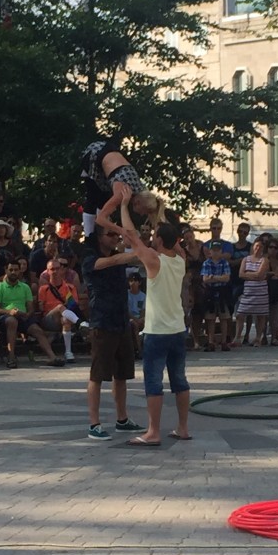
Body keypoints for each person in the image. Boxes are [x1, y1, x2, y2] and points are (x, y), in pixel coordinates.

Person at [119, 186, 189, 445]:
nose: (151, 237)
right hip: (178, 330)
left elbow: (131, 236)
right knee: (179, 379)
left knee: (153, 382)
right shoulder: (180, 260)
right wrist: (157, 214)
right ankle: (183, 428)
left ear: (159, 240)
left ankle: (153, 432)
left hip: (157, 331)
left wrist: (125, 205)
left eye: (155, 235)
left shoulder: (153, 260)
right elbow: (175, 239)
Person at [81, 225, 144, 440]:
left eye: (117, 234)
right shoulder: (91, 259)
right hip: (102, 322)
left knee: (122, 374)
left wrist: (137, 244)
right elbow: (115, 261)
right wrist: (132, 250)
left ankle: (122, 419)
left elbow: (134, 260)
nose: (116, 237)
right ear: (99, 238)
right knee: (98, 375)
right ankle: (94, 424)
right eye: (111, 234)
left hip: (121, 321)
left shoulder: (119, 256)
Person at [81, 139, 167, 236]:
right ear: (138, 203)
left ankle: (99, 236)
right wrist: (121, 231)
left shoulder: (140, 189)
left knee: (104, 201)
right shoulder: (122, 192)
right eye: (144, 212)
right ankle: (90, 237)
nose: (142, 215)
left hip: (107, 149)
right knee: (93, 199)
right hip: (94, 154)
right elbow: (100, 219)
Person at [0, 261, 64, 369]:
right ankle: (11, 357)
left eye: (16, 270)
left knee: (37, 330)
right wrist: (9, 312)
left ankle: (52, 357)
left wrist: (26, 314)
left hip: (22, 316)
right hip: (5, 318)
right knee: (12, 321)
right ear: (6, 271)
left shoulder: (25, 287)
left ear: (20, 271)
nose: (13, 272)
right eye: (10, 270)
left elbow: (30, 308)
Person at [233, 239, 269, 347]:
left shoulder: (264, 260)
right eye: (256, 246)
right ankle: (237, 337)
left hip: (260, 291)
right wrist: (254, 275)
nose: (258, 248)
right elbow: (240, 274)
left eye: (260, 247)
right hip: (248, 291)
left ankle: (258, 338)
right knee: (240, 314)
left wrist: (248, 274)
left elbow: (260, 274)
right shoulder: (246, 259)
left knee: (260, 315)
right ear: (253, 247)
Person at [201, 241, 233, 351]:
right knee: (210, 318)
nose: (215, 252)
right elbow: (205, 279)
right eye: (213, 250)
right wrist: (220, 277)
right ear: (210, 251)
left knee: (224, 317)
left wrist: (213, 277)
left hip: (223, 291)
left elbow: (227, 278)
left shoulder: (225, 263)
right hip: (210, 292)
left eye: (218, 250)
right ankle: (211, 342)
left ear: (221, 251)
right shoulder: (206, 263)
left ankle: (224, 341)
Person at [127, 273, 146, 357]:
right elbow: (126, 311)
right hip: (130, 318)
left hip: (140, 318)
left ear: (140, 283)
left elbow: (143, 310)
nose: (133, 283)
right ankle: (139, 350)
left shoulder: (143, 296)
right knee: (133, 325)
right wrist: (135, 319)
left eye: (135, 281)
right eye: (131, 281)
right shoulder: (126, 295)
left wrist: (140, 319)